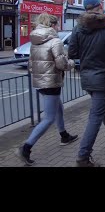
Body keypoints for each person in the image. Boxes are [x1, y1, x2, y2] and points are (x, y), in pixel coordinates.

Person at [68, 0, 105, 167]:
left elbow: (72, 53)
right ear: (100, 7)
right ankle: (83, 157)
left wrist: (88, 58)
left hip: (88, 78)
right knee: (95, 115)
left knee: (103, 109)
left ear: (86, 9)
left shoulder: (78, 27)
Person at [15, 13, 77, 166]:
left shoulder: (35, 41)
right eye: (57, 25)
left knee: (58, 108)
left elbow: (30, 65)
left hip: (39, 82)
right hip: (51, 82)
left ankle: (64, 135)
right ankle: (26, 147)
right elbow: (62, 64)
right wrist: (72, 63)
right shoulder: (55, 41)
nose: (58, 27)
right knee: (49, 118)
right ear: (52, 25)